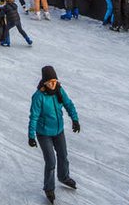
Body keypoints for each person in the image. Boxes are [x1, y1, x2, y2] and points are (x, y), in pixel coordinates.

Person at [28, 65, 79, 204]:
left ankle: (63, 177)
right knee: (51, 161)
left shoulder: (59, 91)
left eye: (55, 81)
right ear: (44, 82)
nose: (53, 84)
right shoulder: (38, 97)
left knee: (63, 155)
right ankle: (49, 188)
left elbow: (69, 104)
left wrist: (75, 119)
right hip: (44, 133)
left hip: (58, 131)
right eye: (50, 81)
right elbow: (34, 117)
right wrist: (31, 136)